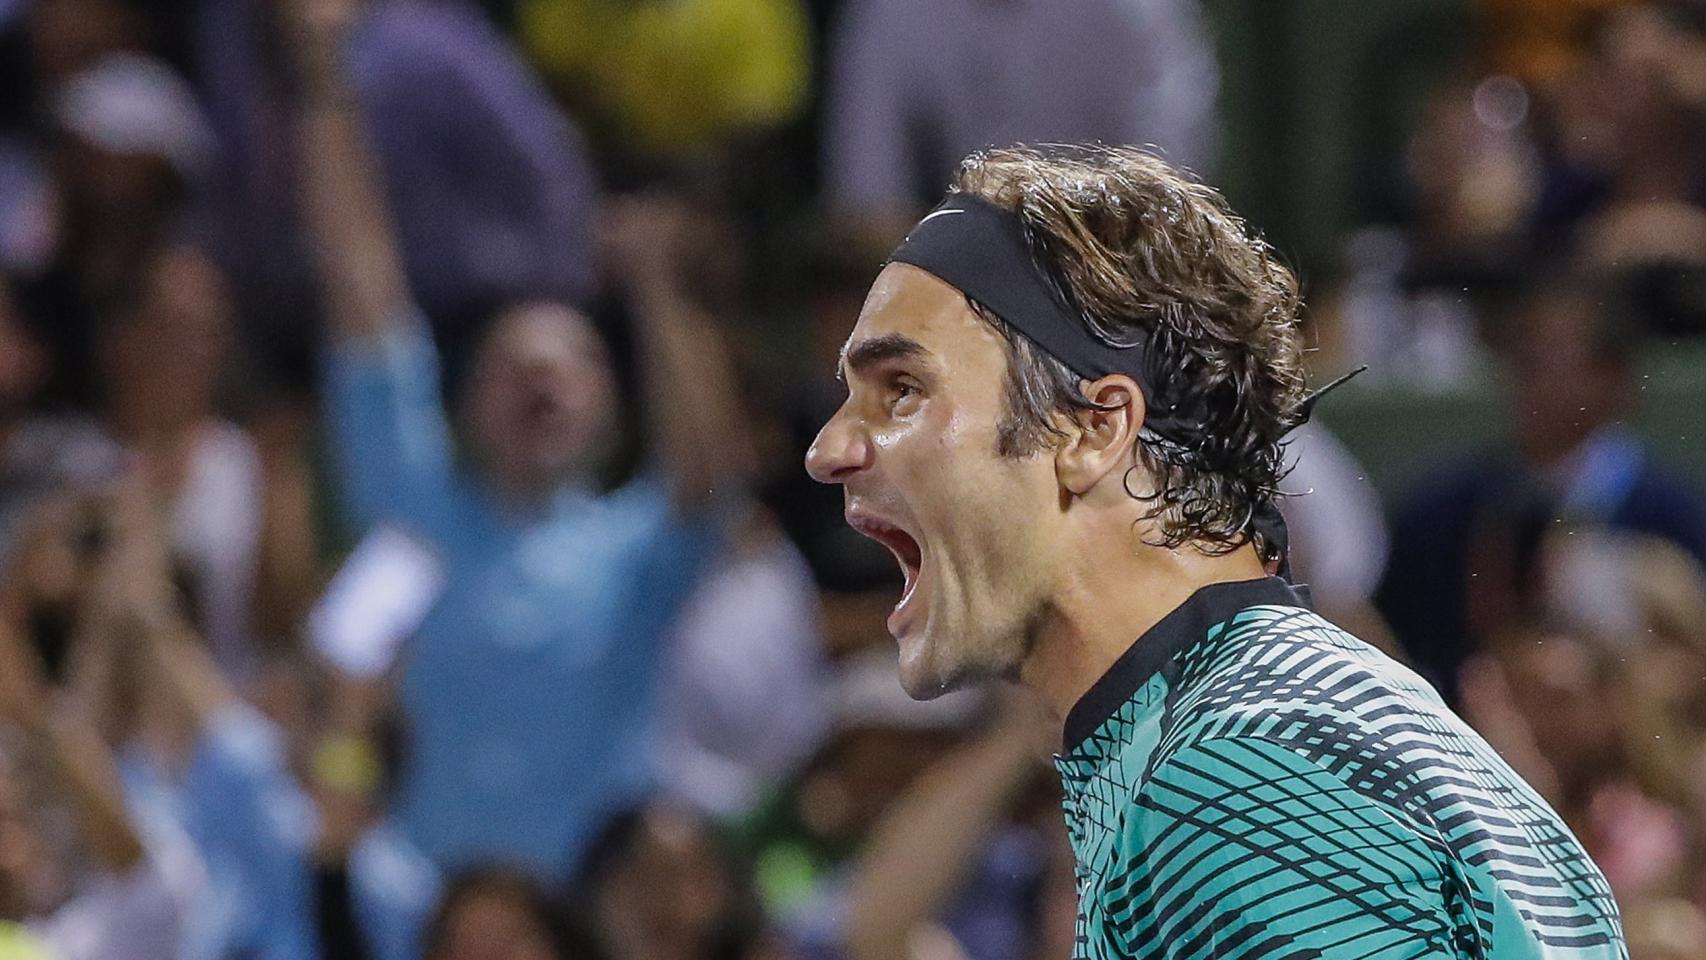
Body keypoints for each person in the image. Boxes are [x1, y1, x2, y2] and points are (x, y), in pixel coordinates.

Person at [804, 145, 1626, 957]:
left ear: (1095, 430)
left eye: (903, 389)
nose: (828, 448)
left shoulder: (1231, 777)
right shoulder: (1270, 730)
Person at [291, 0, 748, 879]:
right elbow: (360, 292)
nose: (543, 378)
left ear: (613, 413)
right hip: (435, 922)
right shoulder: (413, 502)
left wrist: (656, 289)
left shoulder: (635, 551)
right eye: (512, 366)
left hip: (596, 926)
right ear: (462, 409)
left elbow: (709, 463)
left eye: (575, 364)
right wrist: (322, 85)